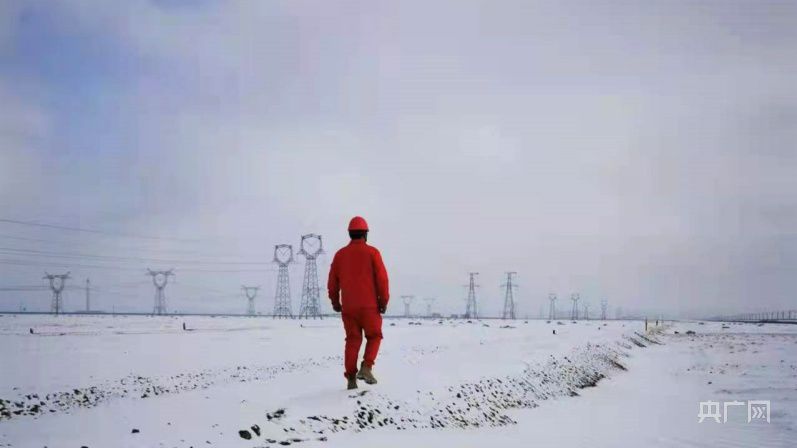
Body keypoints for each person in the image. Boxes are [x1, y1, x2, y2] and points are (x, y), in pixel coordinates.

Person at [327, 216, 390, 390]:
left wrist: (335, 302)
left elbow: (332, 283)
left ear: (350, 233)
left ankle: (351, 379)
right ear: (365, 234)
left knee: (353, 340)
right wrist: (383, 301)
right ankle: (366, 367)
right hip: (370, 307)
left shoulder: (340, 255)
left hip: (349, 308)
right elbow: (382, 280)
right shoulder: (373, 253)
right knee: (374, 336)